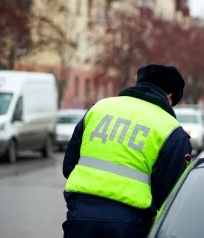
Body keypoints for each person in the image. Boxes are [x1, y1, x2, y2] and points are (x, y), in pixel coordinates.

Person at [62, 64, 192, 238]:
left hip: (81, 215)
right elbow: (170, 196)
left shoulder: (99, 109)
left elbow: (68, 167)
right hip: (130, 224)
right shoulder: (171, 129)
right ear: (169, 96)